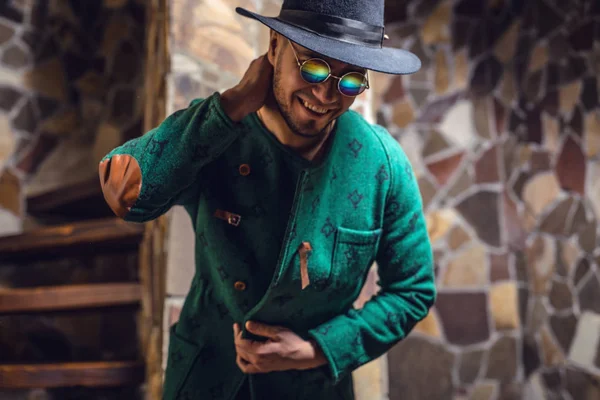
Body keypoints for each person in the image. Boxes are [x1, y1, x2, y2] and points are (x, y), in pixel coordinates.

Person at [98, 0, 436, 398]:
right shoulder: (217, 132)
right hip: (207, 379)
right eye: (313, 66)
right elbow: (127, 193)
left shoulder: (384, 164)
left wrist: (317, 349)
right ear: (274, 47)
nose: (326, 94)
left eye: (349, 81)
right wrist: (234, 102)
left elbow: (413, 290)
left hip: (312, 390)